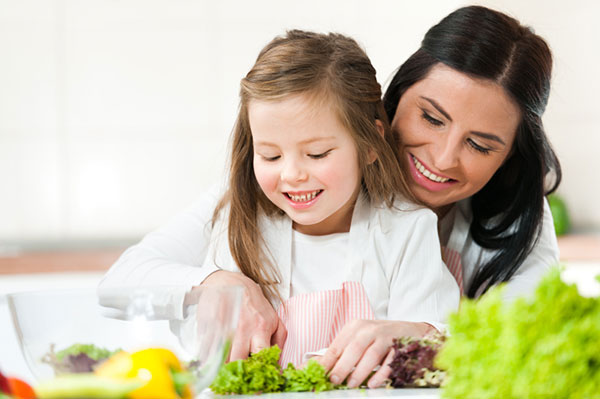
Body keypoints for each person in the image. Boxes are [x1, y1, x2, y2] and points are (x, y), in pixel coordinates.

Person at [98, 30, 459, 368]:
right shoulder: (238, 223)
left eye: (317, 154)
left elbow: (435, 341)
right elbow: (193, 342)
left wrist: (416, 337)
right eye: (270, 156)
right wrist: (212, 293)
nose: (291, 174)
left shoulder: (407, 230)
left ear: (368, 145)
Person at [317, 4, 562, 388]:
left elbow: (526, 335)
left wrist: (430, 340)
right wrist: (217, 280)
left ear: (511, 155)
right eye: (431, 118)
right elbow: (191, 254)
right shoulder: (327, 160)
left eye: (479, 145)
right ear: (398, 94)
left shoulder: (519, 216)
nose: (444, 158)